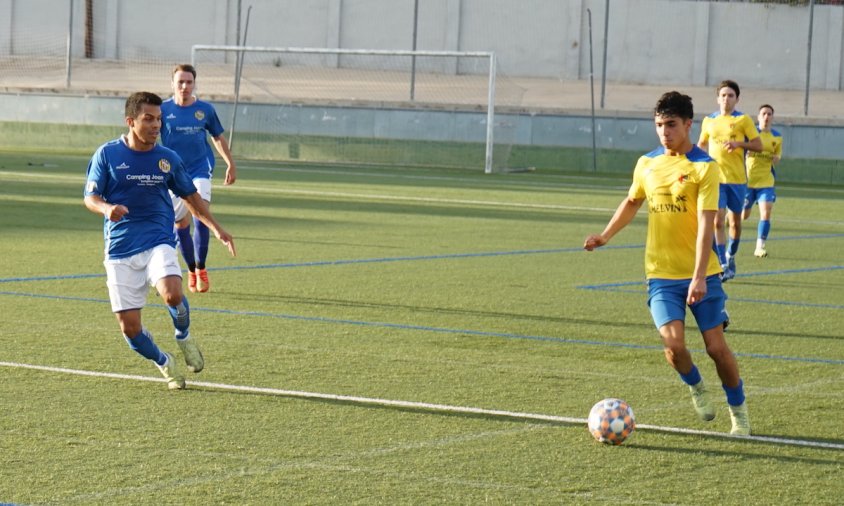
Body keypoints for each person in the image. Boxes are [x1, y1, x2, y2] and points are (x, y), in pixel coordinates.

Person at [584, 91, 751, 435]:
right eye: (659, 125)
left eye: (671, 124)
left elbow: (708, 224)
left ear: (689, 124)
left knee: (716, 348)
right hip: (660, 275)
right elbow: (632, 202)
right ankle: (697, 386)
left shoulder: (705, 167)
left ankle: (739, 411)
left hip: (702, 275)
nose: (664, 131)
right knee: (674, 347)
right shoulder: (647, 163)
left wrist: (700, 276)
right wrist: (605, 235)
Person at [84, 91, 236, 389]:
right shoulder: (107, 154)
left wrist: (216, 227)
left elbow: (190, 196)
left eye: (159, 119)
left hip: (158, 239)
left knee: (172, 293)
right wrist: (107, 208)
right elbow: (90, 196)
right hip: (120, 249)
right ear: (131, 121)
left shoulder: (167, 158)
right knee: (130, 330)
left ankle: (184, 336)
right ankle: (164, 362)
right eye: (149, 119)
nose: (156, 125)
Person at [161, 63, 237, 293]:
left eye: (189, 82)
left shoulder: (205, 110)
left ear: (194, 84)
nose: (184, 86)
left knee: (202, 213)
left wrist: (230, 163)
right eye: (180, 82)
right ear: (172, 84)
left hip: (199, 170)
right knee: (180, 223)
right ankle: (192, 269)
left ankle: (202, 268)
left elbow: (217, 137)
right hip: (174, 174)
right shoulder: (162, 110)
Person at [697, 80, 762, 281]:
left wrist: (739, 144)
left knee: (735, 223)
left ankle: (731, 256)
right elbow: (702, 144)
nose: (726, 99)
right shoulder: (709, 121)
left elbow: (758, 145)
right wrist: (698, 162)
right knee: (717, 220)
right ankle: (722, 264)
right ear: (718, 98)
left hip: (737, 179)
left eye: (730, 95)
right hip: (716, 179)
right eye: (723, 95)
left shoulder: (743, 120)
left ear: (737, 99)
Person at [742, 104, 782, 258]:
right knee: (744, 215)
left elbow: (778, 156)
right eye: (763, 113)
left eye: (769, 114)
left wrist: (776, 158)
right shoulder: (751, 135)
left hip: (766, 182)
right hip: (748, 182)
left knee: (766, 213)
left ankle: (760, 247)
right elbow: (740, 151)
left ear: (772, 117)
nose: (766, 116)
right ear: (758, 117)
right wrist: (746, 154)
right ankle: (730, 217)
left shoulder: (777, 137)